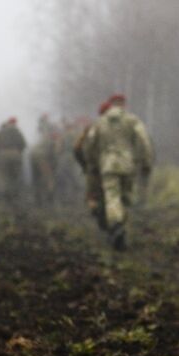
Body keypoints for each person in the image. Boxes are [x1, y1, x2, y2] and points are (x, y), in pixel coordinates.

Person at [73, 93, 153, 250]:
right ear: (124, 104)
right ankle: (119, 226)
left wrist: (92, 163)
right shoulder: (132, 120)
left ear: (110, 104)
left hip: (107, 164)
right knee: (125, 198)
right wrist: (146, 162)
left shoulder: (99, 122)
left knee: (112, 196)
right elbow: (144, 141)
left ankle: (116, 226)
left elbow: (89, 144)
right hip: (128, 164)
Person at [0, 117, 27, 203]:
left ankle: (5, 195)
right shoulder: (18, 132)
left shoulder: (1, 132)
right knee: (15, 175)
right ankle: (15, 194)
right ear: (15, 123)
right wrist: (17, 152)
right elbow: (23, 144)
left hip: (3, 154)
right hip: (15, 154)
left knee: (4, 175)